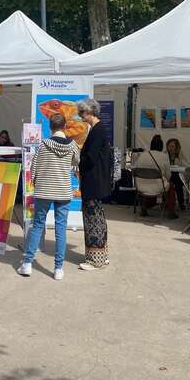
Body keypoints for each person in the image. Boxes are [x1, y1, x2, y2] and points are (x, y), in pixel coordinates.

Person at [17, 113, 80, 280]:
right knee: (61, 228)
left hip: (44, 190)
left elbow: (34, 167)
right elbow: (77, 162)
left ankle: (28, 263)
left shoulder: (43, 145)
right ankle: (58, 268)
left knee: (38, 225)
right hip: (63, 191)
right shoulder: (73, 145)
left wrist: (36, 183)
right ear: (65, 127)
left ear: (50, 127)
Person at [77, 98, 112, 271]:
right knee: (97, 217)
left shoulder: (97, 131)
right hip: (95, 181)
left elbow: (90, 157)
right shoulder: (97, 130)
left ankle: (95, 259)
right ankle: (101, 255)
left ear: (90, 112)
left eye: (82, 113)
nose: (80, 117)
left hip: (93, 182)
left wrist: (78, 162)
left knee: (93, 218)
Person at [134, 135, 174, 219]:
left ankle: (144, 208)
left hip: (141, 187)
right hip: (158, 187)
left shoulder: (142, 155)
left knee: (148, 183)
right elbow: (168, 175)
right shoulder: (164, 156)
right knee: (171, 186)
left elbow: (135, 169)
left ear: (151, 145)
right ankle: (171, 211)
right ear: (161, 146)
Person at [166, 137, 190, 211]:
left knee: (178, 183)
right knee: (167, 182)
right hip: (167, 175)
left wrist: (179, 158)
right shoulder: (165, 154)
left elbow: (186, 164)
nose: (170, 148)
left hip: (177, 174)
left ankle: (181, 203)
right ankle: (166, 203)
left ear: (176, 147)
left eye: (172, 146)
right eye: (169, 146)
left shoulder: (180, 154)